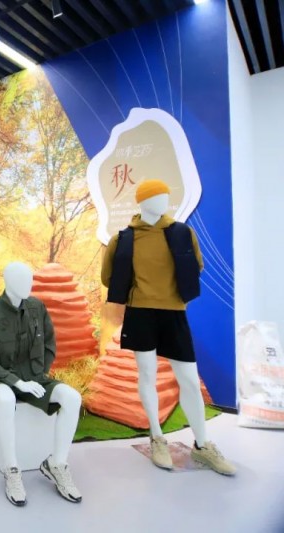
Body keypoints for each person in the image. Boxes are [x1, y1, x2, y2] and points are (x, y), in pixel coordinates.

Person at [102, 179, 236, 475]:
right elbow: (108, 276)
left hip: (174, 312)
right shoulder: (122, 239)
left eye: (165, 196)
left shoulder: (182, 233)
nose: (162, 202)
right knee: (147, 375)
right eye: (155, 197)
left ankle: (203, 445)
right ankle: (157, 437)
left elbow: (196, 266)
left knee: (188, 379)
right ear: (142, 201)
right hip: (140, 313)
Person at [0, 262, 83, 506]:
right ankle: (12, 469)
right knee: (5, 399)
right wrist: (16, 382)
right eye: (22, 280)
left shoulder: (37, 308)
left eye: (30, 279)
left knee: (72, 398)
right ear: (8, 282)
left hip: (34, 377)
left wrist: (38, 373)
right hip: (1, 378)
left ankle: (56, 464)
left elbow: (49, 344)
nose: (28, 285)